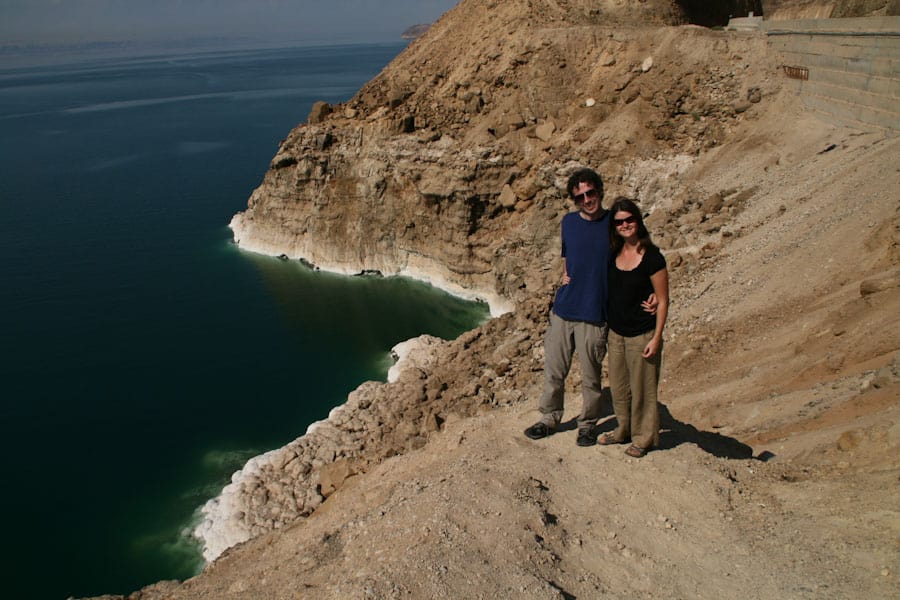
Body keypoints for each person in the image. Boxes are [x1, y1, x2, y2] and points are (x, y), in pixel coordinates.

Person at [524, 169, 655, 447]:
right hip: (563, 310)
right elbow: (567, 256)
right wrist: (565, 274)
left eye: (590, 193)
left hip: (595, 314)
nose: (586, 199)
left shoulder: (613, 224)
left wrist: (652, 292)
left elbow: (639, 254)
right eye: (580, 196)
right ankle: (549, 418)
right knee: (554, 371)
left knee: (591, 377)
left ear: (599, 191)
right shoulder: (569, 222)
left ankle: (587, 424)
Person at [599, 197, 669, 458]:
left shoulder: (652, 257)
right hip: (617, 333)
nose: (625, 225)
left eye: (630, 219)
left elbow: (662, 301)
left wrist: (657, 337)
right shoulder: (614, 253)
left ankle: (644, 438)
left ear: (638, 221)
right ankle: (623, 429)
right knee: (619, 387)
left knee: (643, 389)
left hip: (643, 334)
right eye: (620, 222)